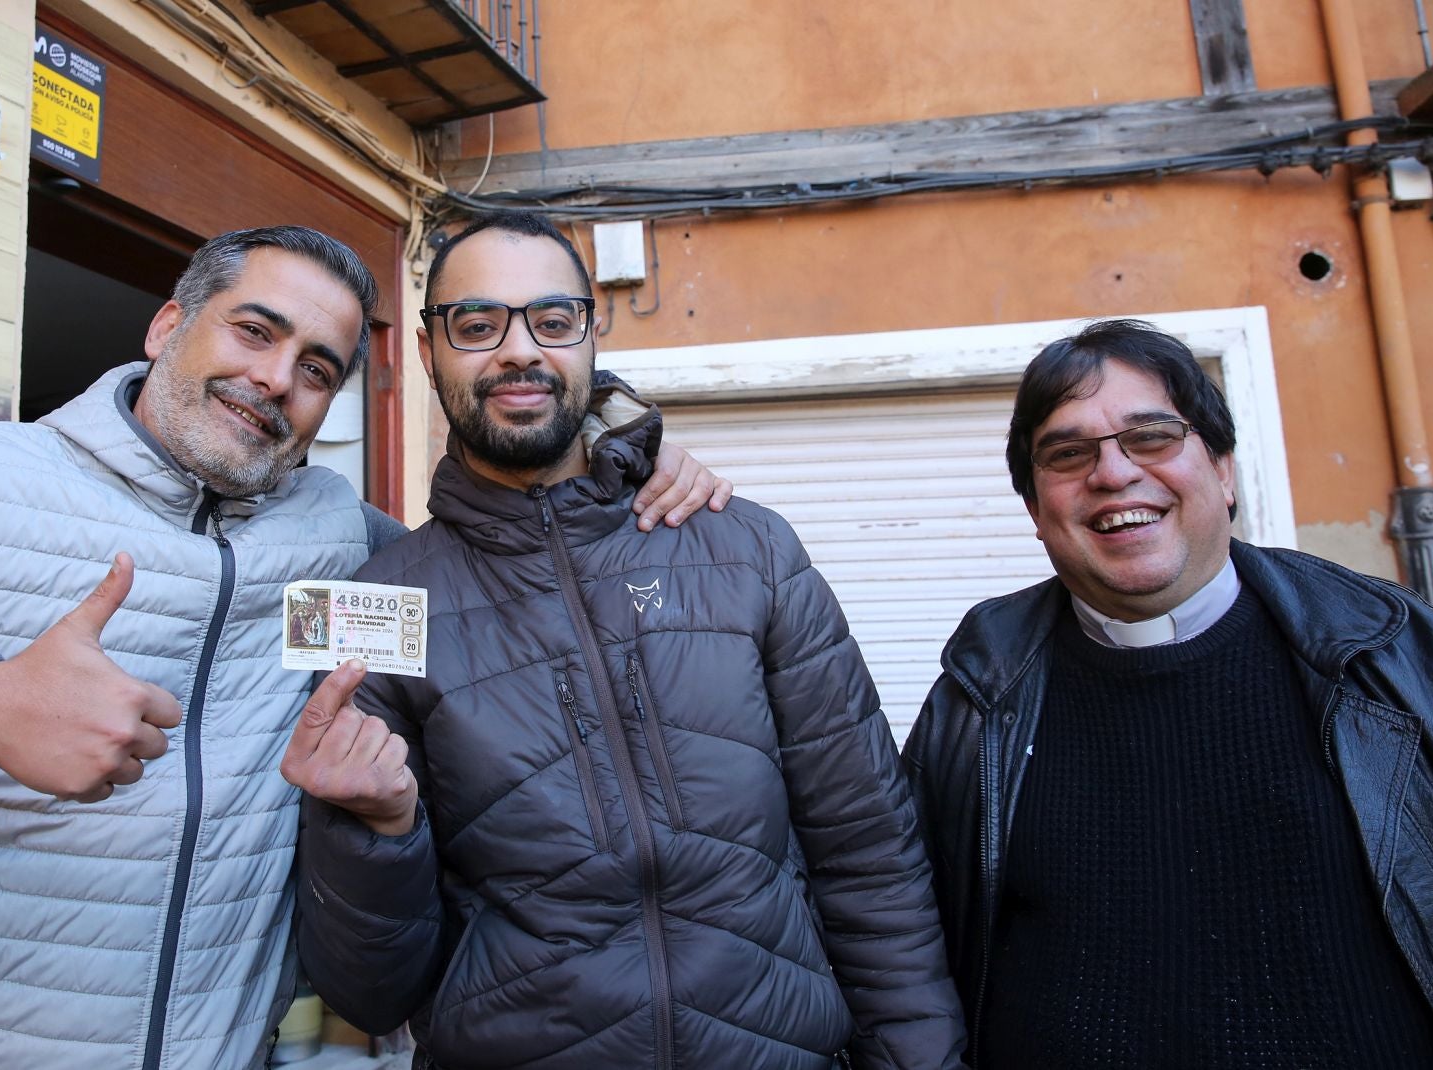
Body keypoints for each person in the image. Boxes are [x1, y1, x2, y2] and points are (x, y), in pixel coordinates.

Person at [0, 225, 729, 1070]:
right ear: (166, 326)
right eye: (254, 328)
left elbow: (514, 573)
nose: (276, 378)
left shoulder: (347, 547)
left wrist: (625, 455)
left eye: (319, 366)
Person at [279, 211, 966, 1070]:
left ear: (592, 334)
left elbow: (869, 853)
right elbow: (369, 993)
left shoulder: (747, 549)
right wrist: (374, 833)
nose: (519, 350)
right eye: (477, 323)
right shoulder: (381, 607)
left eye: (553, 321)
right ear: (427, 353)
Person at [902, 319, 1433, 1069]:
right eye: (1067, 453)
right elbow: (900, 946)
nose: (1113, 474)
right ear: (1034, 509)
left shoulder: (1394, 651)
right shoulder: (975, 697)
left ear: (1222, 469)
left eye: (1151, 436)